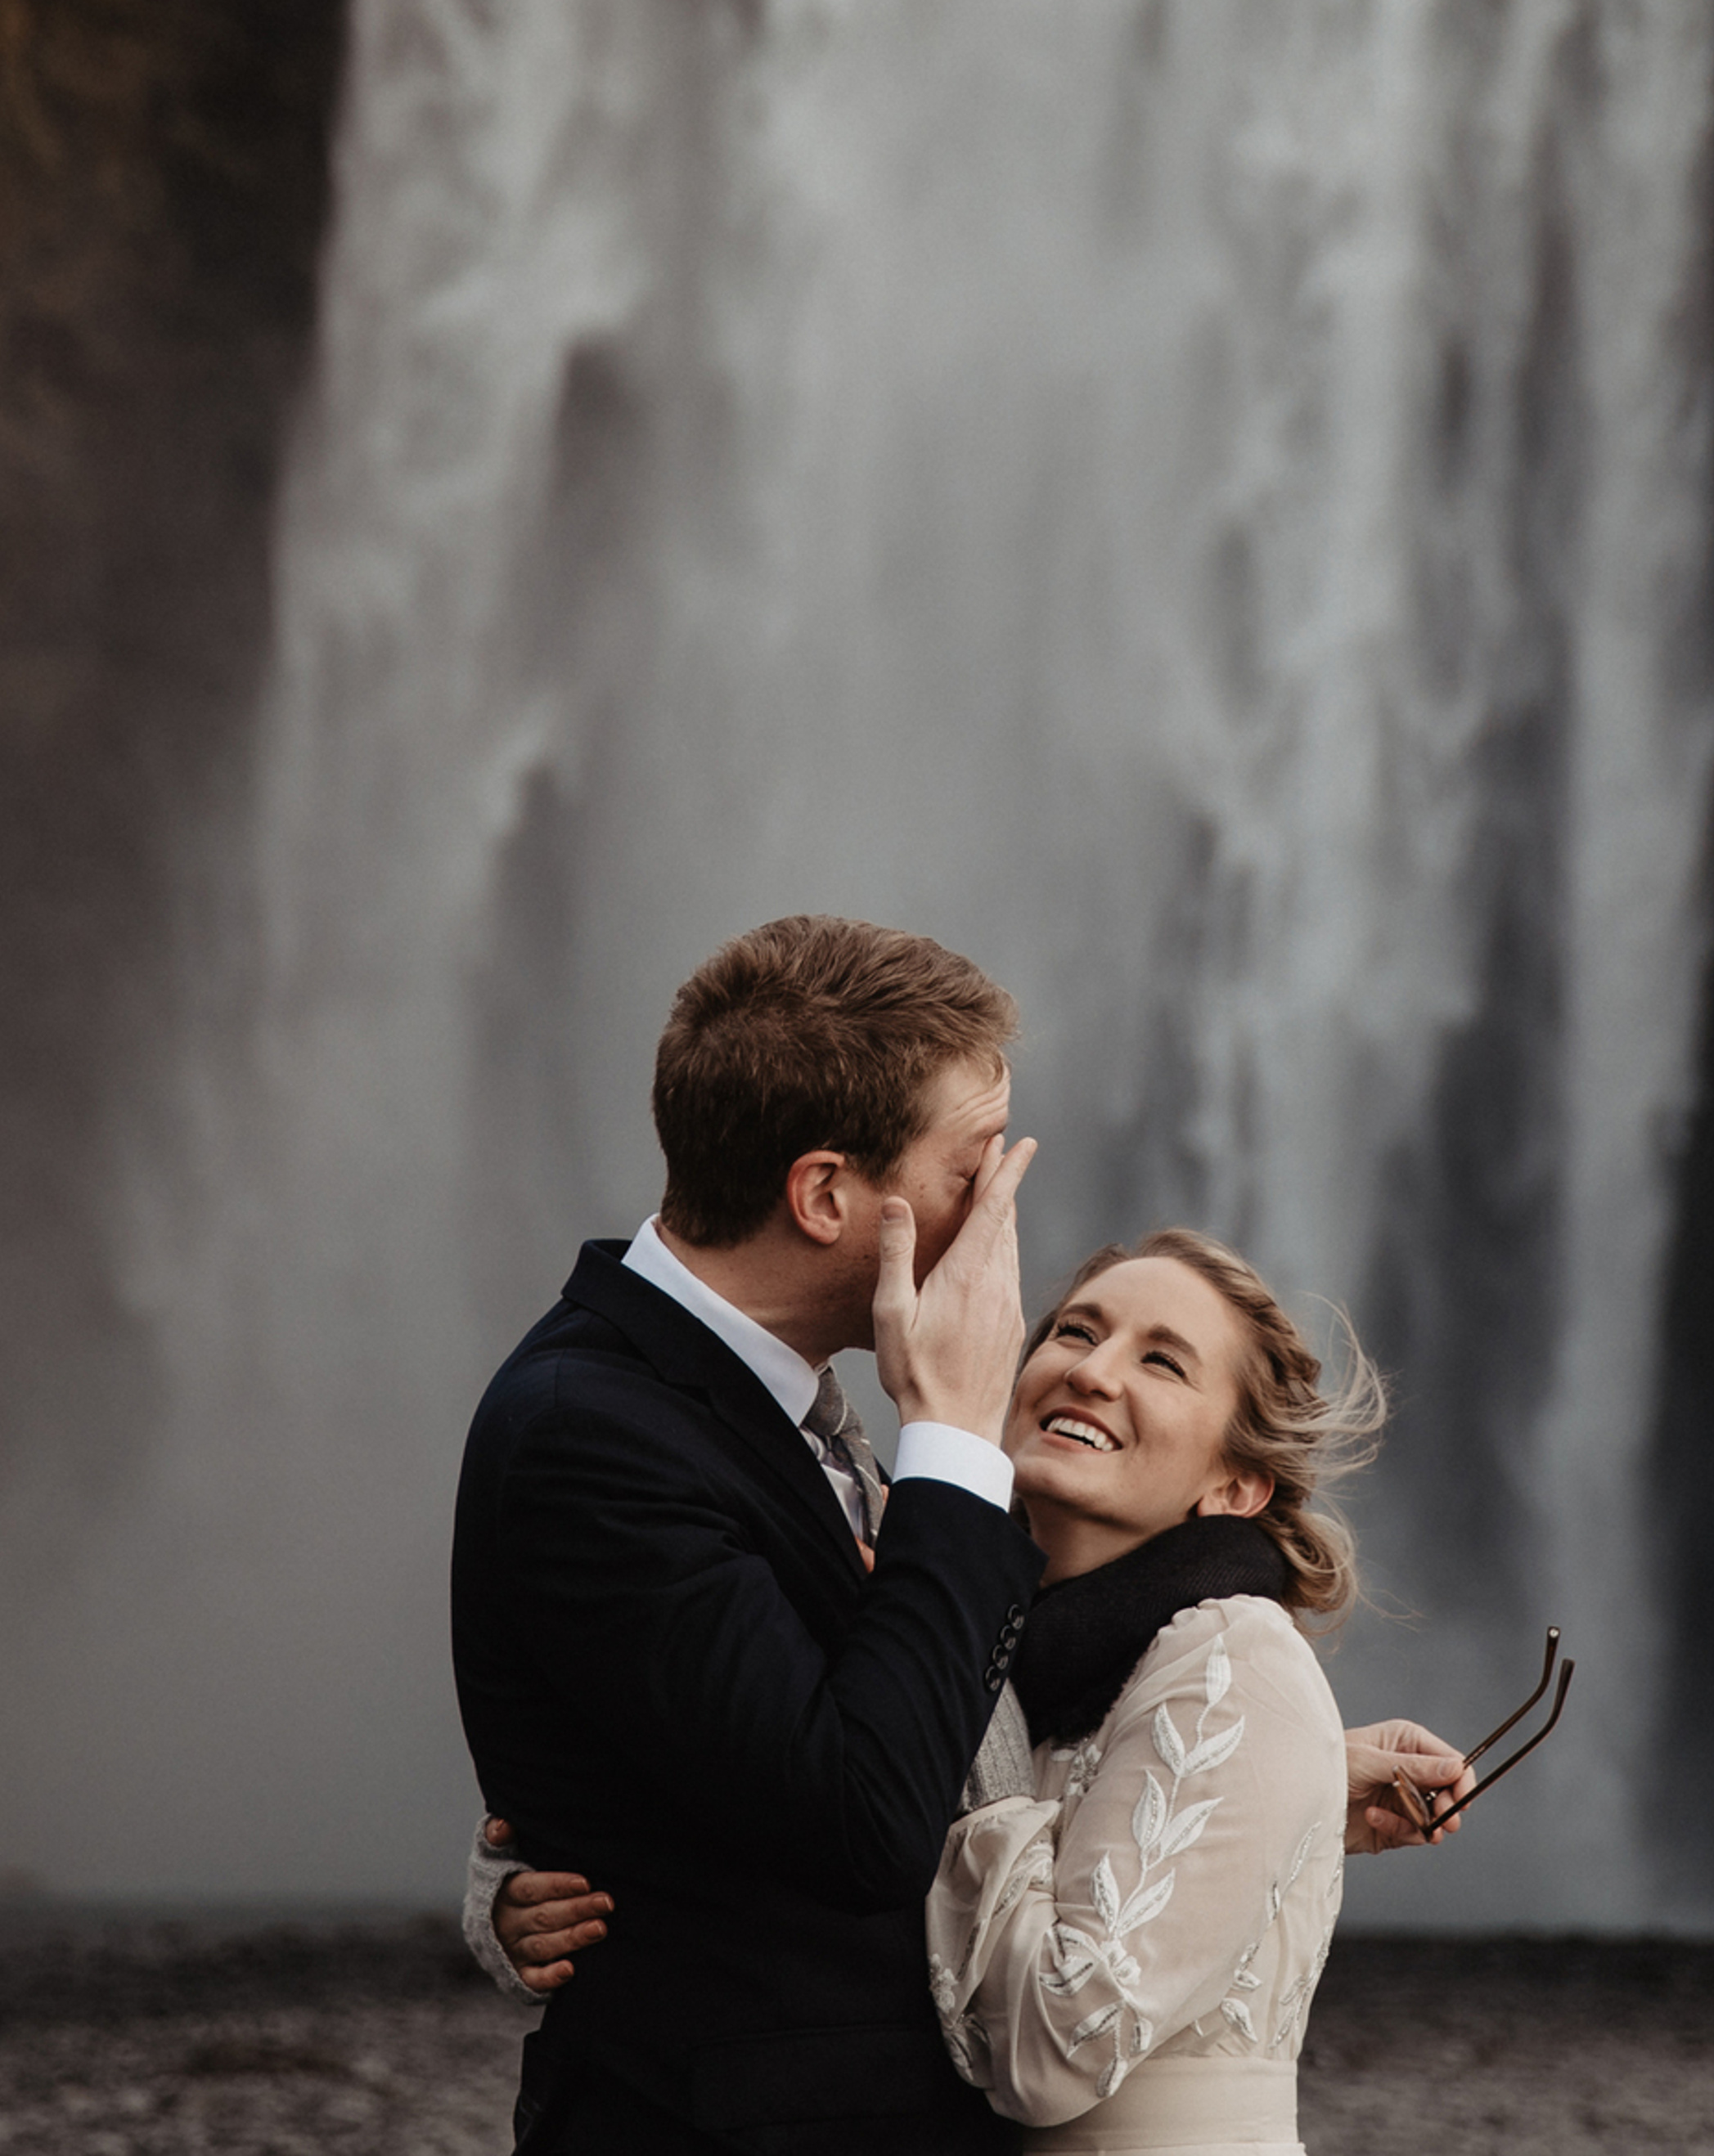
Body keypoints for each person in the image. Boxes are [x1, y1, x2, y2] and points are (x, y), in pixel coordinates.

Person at [477, 1219, 1474, 2153]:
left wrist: (982, 1709)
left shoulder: (1228, 1662)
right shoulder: (1026, 1649)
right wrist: (519, 1881)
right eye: (1076, 1331)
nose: (1091, 1371)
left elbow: (1053, 2042)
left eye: (1160, 1361)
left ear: (1236, 1487)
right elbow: (776, 1767)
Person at [451, 914, 1047, 2155]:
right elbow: (864, 1816)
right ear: (826, 1195)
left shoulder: (777, 1404)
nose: (998, 1215)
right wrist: (953, 1440)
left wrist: (1266, 1756)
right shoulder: (593, 1436)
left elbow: (922, 1697)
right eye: (973, 1169)